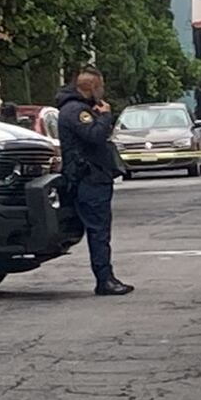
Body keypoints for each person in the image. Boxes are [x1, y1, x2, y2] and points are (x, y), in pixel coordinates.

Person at [55, 68, 134, 296]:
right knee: (99, 231)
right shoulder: (77, 111)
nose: (103, 91)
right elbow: (94, 136)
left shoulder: (77, 109)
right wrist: (107, 116)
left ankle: (106, 276)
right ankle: (104, 279)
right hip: (89, 179)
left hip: (91, 178)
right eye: (100, 86)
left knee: (99, 230)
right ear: (91, 87)